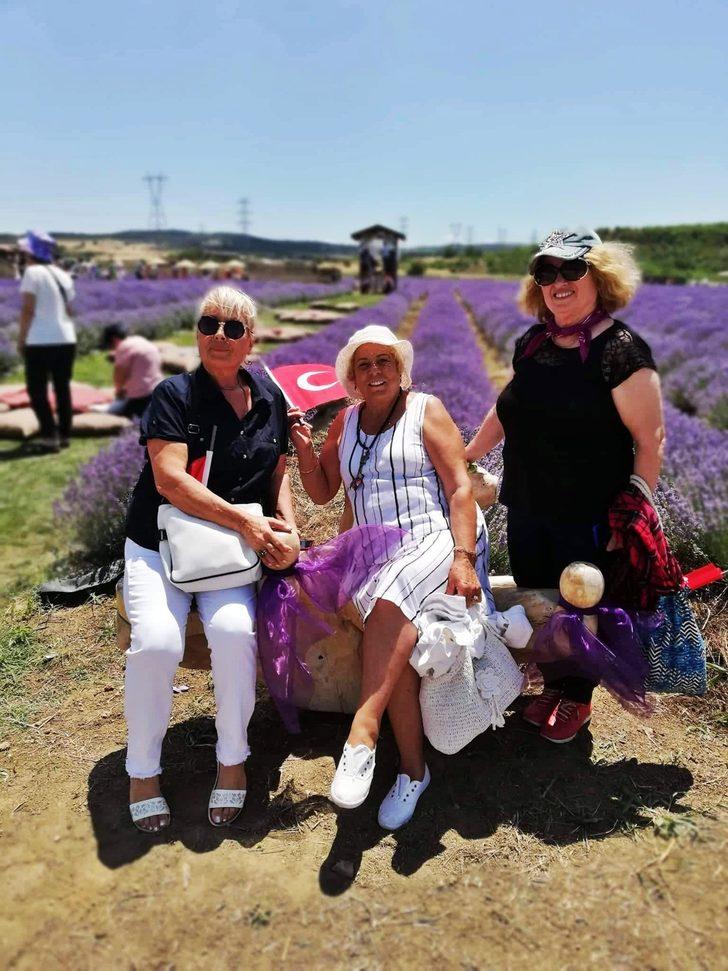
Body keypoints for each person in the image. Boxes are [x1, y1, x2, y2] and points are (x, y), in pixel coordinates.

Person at [288, 324, 495, 830]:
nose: (374, 371)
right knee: (392, 644)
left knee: (388, 600)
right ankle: (412, 772)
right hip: (373, 551)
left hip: (437, 540)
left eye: (384, 361)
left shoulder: (427, 410)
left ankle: (362, 734)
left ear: (400, 369)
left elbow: (460, 491)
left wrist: (464, 557)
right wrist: (303, 449)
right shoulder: (345, 422)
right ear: (352, 378)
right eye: (363, 365)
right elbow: (321, 492)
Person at [465, 229, 664, 743]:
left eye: (571, 270)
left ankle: (579, 695)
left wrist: (635, 510)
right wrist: (463, 455)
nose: (558, 282)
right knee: (540, 598)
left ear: (599, 276)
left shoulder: (621, 351)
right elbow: (507, 406)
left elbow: (650, 438)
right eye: (546, 273)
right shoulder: (532, 343)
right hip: (528, 502)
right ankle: (554, 683)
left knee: (582, 603)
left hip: (590, 511)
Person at [123, 286, 295, 832]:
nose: (219, 335)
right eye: (209, 324)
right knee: (157, 642)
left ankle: (232, 760)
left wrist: (285, 523)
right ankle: (142, 771)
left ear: (252, 341)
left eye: (234, 328)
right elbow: (169, 480)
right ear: (197, 333)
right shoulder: (174, 395)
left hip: (226, 555)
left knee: (234, 634)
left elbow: (277, 469)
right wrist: (247, 522)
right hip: (159, 544)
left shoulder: (268, 396)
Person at [16, 231, 76, 453]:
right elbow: (70, 310)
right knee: (62, 387)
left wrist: (21, 339)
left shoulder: (32, 272)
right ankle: (65, 434)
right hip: (66, 338)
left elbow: (28, 309)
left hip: (40, 340)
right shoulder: (62, 274)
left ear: (31, 252)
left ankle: (49, 436)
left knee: (37, 389)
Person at [100, 323, 163, 418]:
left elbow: (119, 376)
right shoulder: (141, 341)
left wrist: (118, 391)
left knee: (116, 411)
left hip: (143, 397)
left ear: (114, 339)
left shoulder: (123, 347)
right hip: (159, 390)